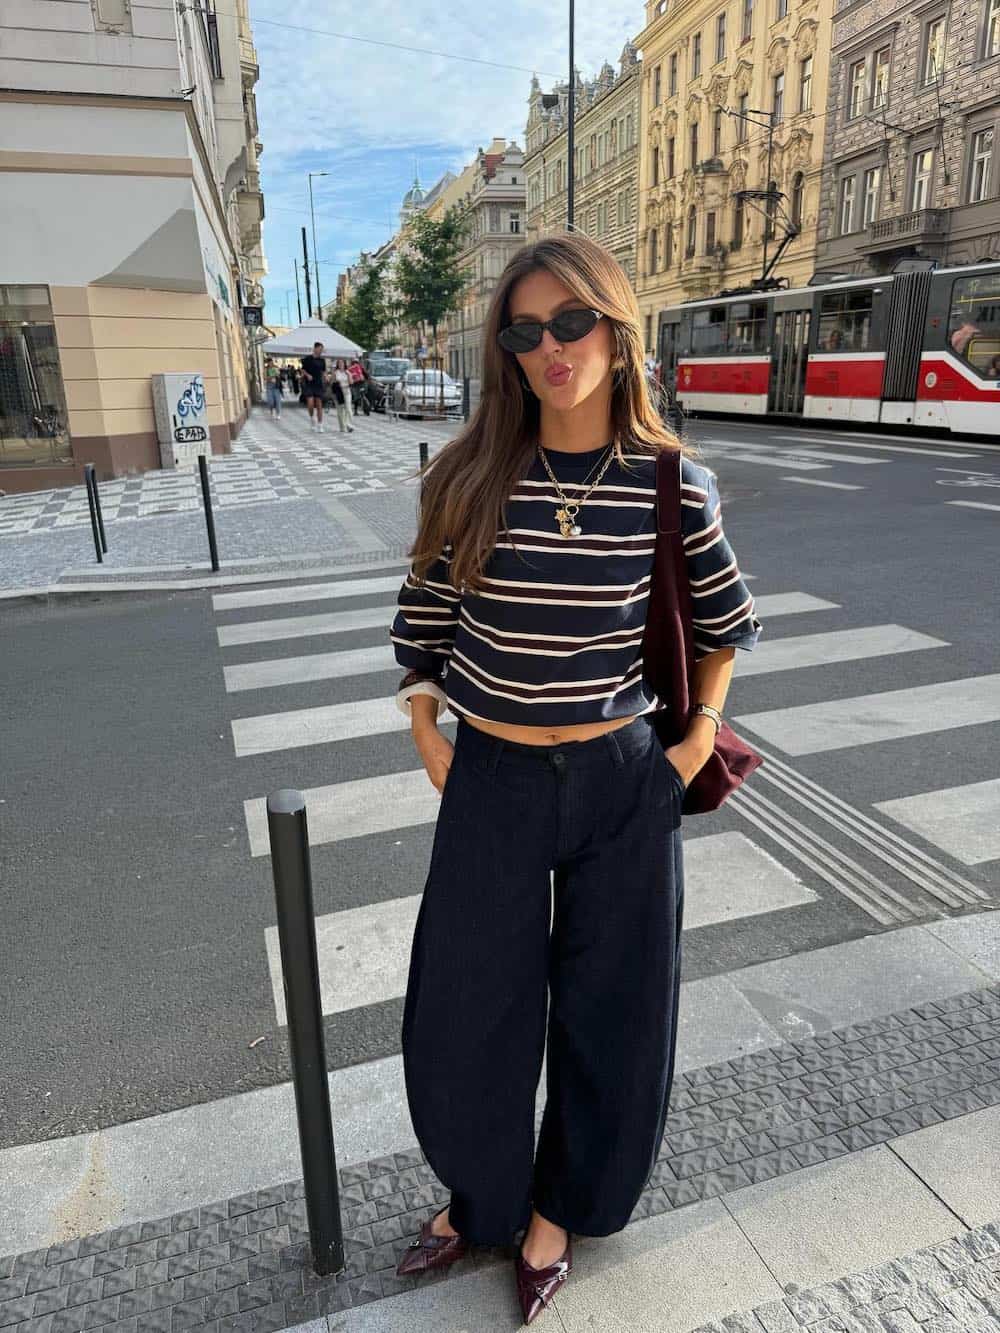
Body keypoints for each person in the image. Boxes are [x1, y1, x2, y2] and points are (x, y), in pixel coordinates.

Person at [388, 233, 762, 1324]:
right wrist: (426, 728)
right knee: (465, 1008)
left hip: (620, 777)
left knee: (614, 1011)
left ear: (614, 326)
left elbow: (726, 626)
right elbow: (423, 623)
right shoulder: (465, 474)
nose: (549, 347)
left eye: (570, 322)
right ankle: (482, 1196)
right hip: (493, 772)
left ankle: (560, 1209)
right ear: (503, 349)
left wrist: (695, 743)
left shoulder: (669, 484)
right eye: (523, 330)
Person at [300, 341, 327, 431]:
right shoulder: (308, 359)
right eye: (320, 349)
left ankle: (320, 424)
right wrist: (307, 375)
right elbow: (302, 370)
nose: (321, 351)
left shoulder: (322, 360)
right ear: (315, 348)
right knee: (310, 403)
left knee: (319, 405)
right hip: (309, 384)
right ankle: (312, 418)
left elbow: (323, 372)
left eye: (322, 350)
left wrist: (326, 378)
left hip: (318, 384)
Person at [332, 358, 354, 433]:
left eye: (342, 363)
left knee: (348, 408)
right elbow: (333, 383)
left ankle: (349, 424)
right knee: (340, 410)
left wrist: (348, 375)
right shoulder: (335, 372)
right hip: (338, 392)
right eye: (339, 363)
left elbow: (351, 383)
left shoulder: (348, 372)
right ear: (337, 365)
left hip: (347, 391)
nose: (341, 364)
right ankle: (342, 426)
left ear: (345, 364)